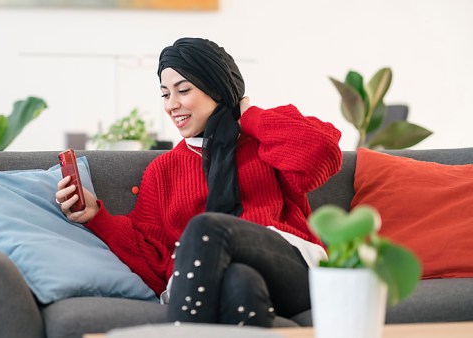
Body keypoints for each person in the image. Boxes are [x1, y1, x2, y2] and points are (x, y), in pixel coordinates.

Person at [55, 37, 342, 327]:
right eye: (165, 94)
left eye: (183, 90)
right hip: (223, 280)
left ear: (216, 88)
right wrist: (95, 216)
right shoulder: (163, 170)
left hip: (291, 271)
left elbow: (323, 153)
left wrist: (250, 118)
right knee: (239, 282)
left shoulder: (264, 136)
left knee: (207, 226)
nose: (172, 105)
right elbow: (154, 262)